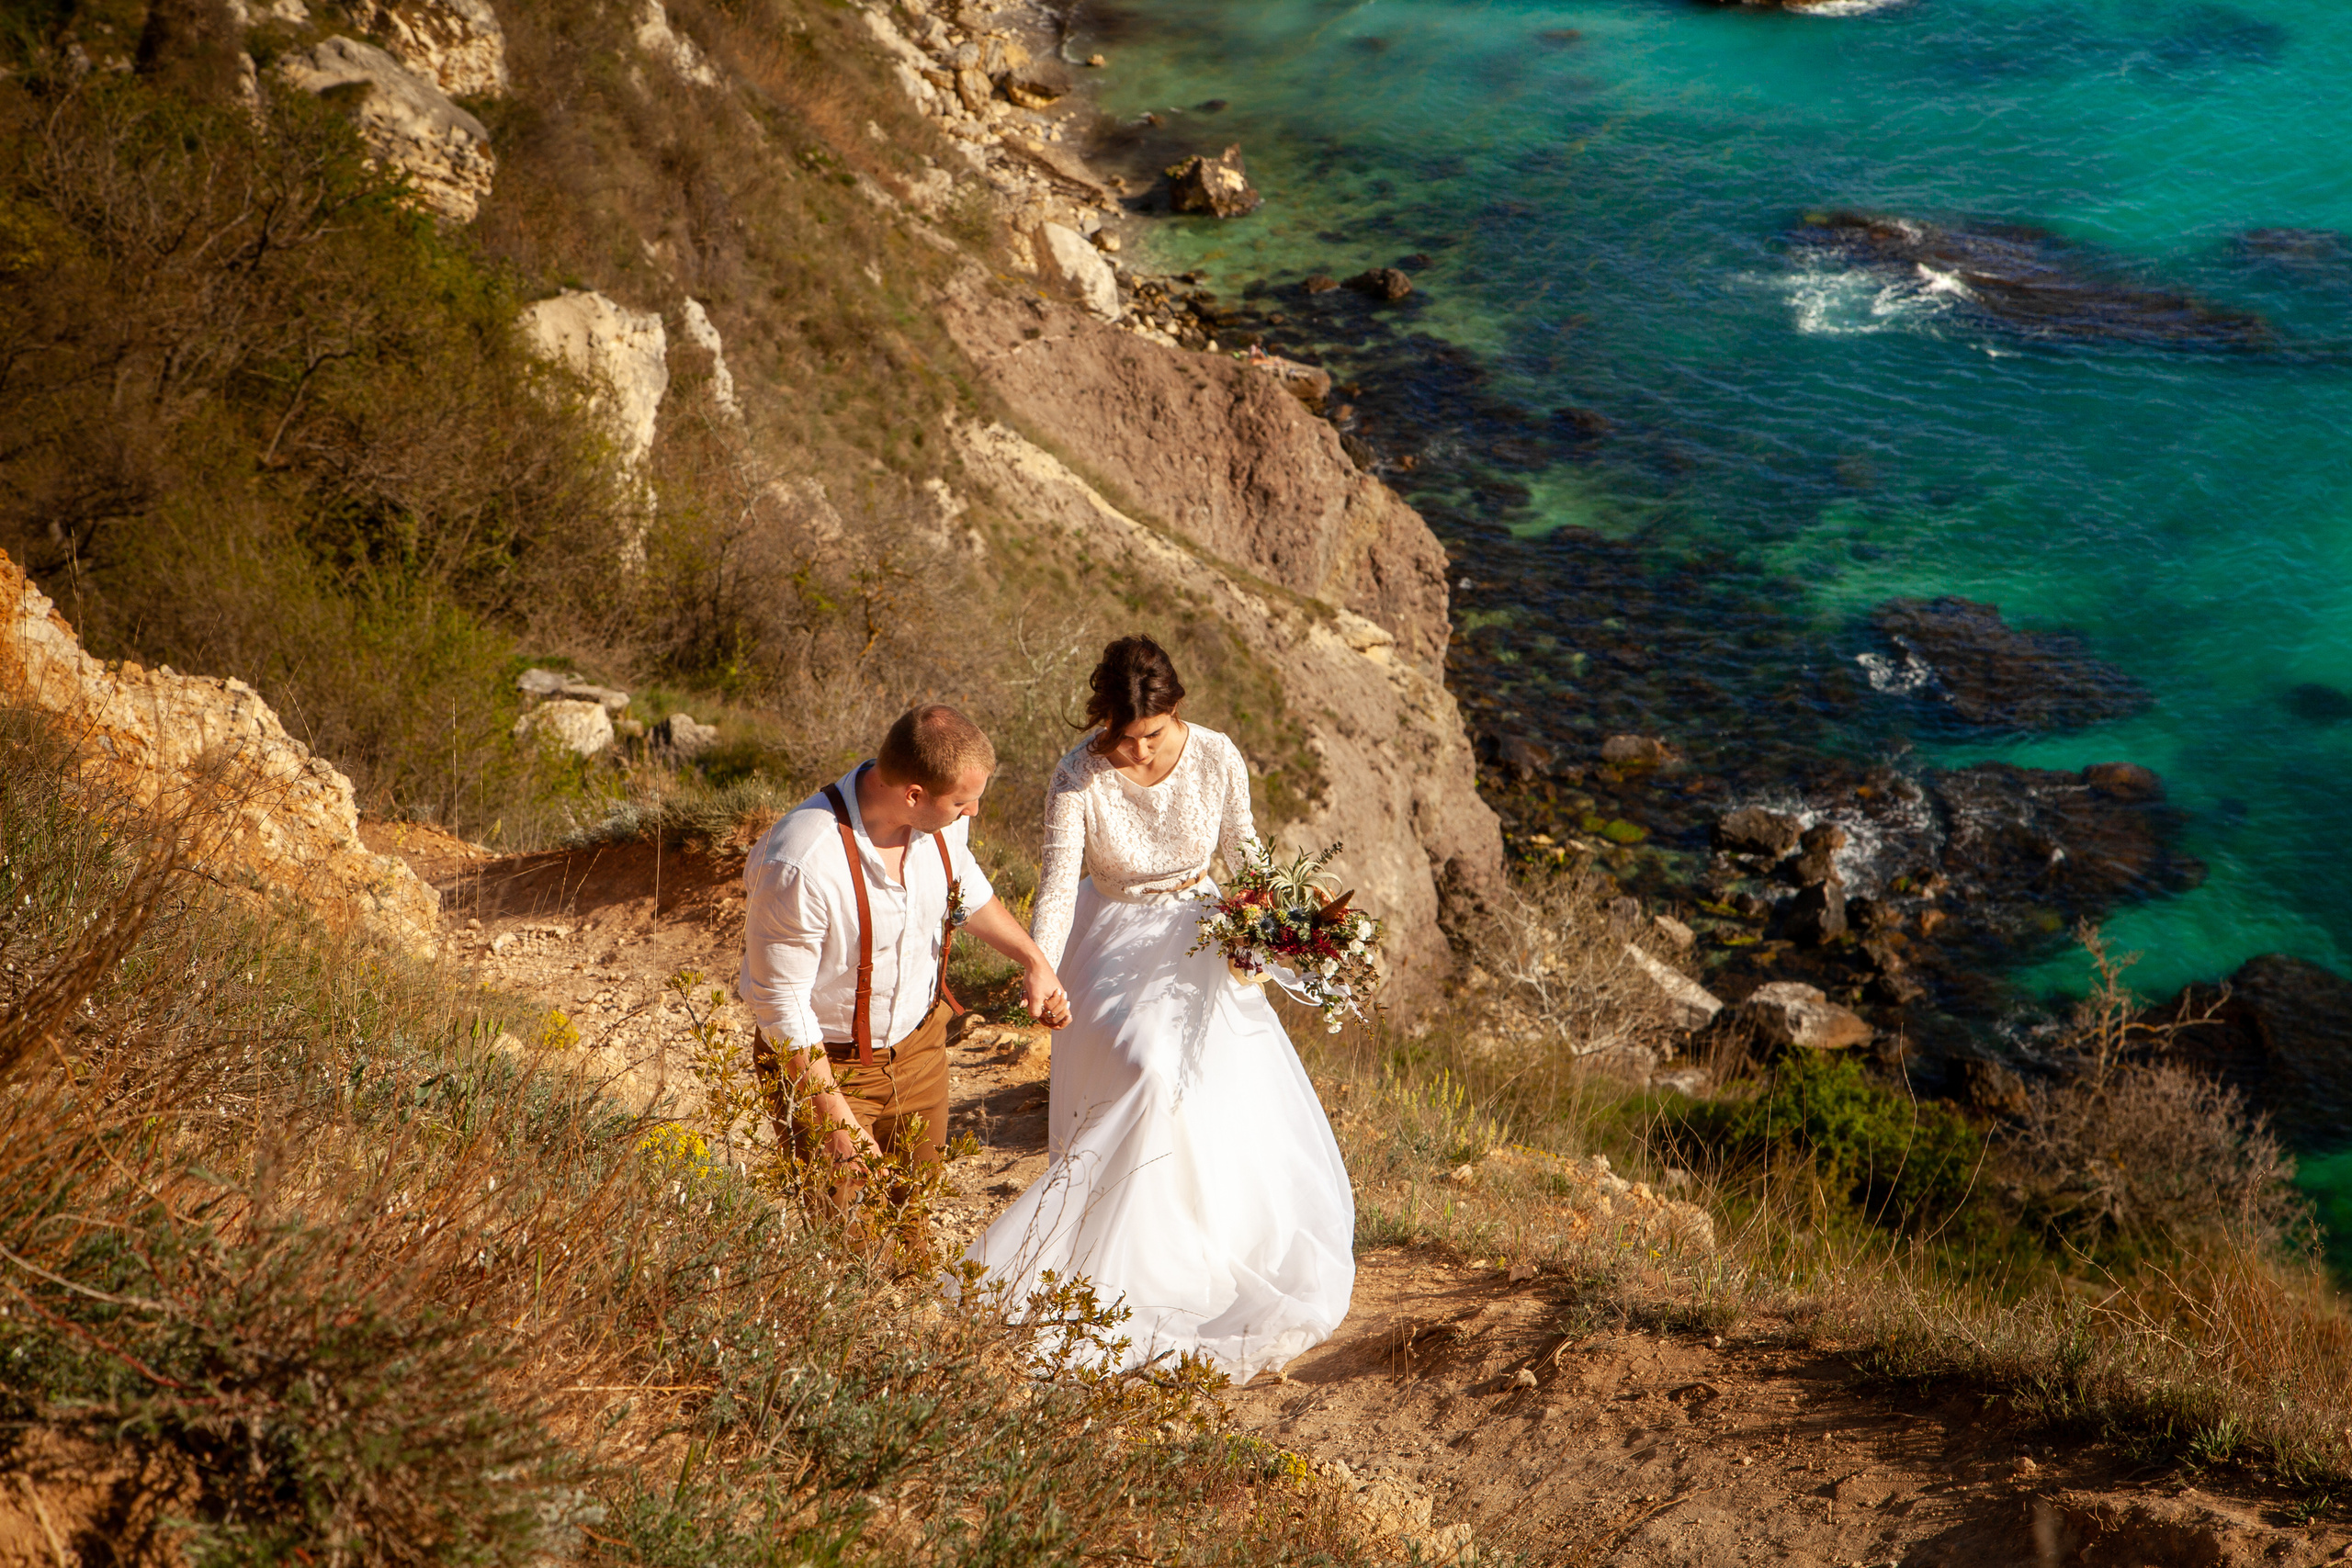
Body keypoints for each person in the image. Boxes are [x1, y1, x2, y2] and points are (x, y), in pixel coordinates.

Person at [965, 637, 1355, 1381]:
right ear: (1102, 721)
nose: (1138, 750)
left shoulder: (1216, 754)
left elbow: (1246, 856)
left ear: (1177, 711)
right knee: (1146, 1067)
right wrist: (1040, 967)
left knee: (1207, 1079)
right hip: (1110, 930)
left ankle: (1206, 1235)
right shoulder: (1077, 773)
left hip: (1202, 924)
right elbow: (1056, 883)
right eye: (1124, 736)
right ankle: (1121, 1256)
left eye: (1153, 732)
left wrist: (1274, 929)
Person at [739, 704, 1069, 1198]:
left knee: (914, 1215)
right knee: (849, 1242)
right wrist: (836, 1126)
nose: (973, 812)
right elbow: (779, 1003)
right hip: (830, 1064)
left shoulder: (943, 822)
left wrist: (1033, 961)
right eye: (963, 802)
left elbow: (964, 884)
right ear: (914, 794)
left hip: (922, 1050)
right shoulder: (800, 863)